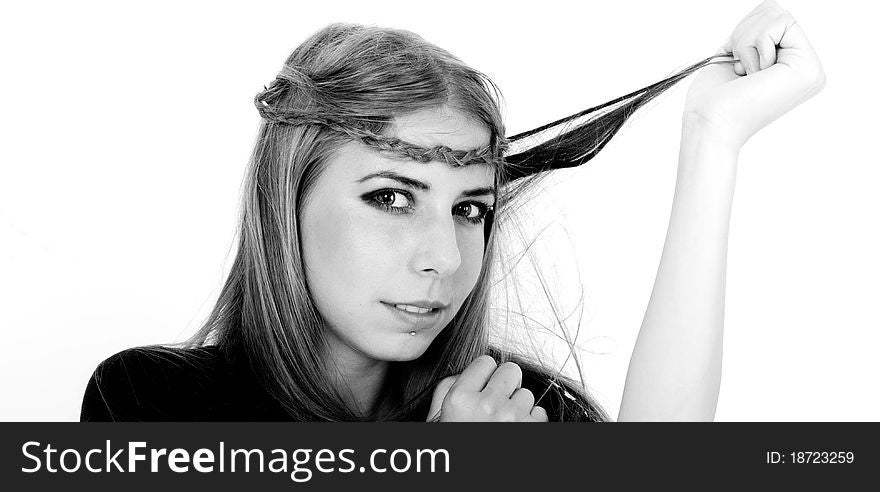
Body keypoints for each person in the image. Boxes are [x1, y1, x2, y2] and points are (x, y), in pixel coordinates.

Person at [80, 0, 825, 422]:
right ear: (287, 203)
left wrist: (712, 140)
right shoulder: (154, 406)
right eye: (392, 197)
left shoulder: (515, 410)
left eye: (471, 209)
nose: (443, 256)